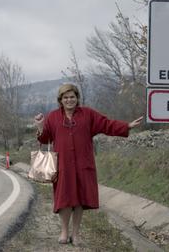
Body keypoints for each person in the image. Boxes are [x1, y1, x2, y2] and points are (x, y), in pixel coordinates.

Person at [34, 84, 142, 246]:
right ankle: (64, 231)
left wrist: (126, 126)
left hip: (83, 164)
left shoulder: (88, 114)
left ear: (77, 98)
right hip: (62, 165)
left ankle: (76, 234)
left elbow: (107, 125)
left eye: (72, 97)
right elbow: (44, 139)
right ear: (60, 100)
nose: (69, 100)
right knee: (64, 199)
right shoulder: (53, 116)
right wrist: (40, 125)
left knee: (79, 200)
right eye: (66, 97)